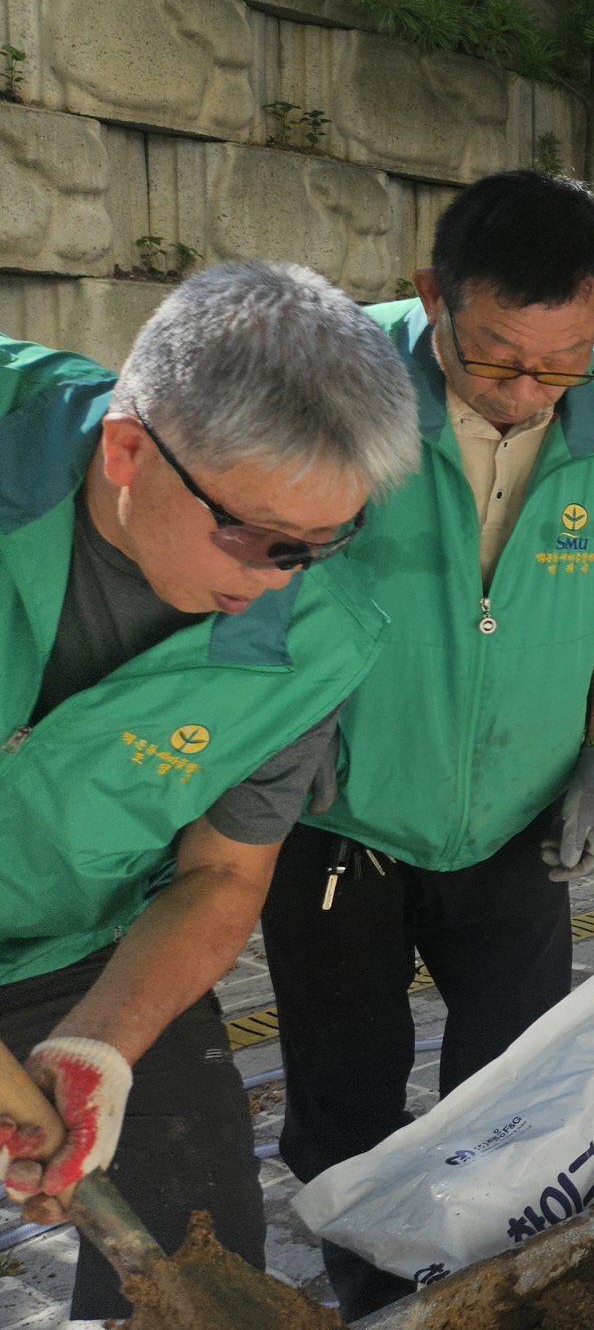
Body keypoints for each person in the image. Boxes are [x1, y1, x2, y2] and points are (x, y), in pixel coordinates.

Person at [258, 171, 594, 1319]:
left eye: (562, 360)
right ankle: (372, 1298)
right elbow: (245, 579)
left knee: (518, 1088)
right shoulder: (330, 384)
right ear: (432, 293)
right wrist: (278, 732)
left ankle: (491, 1291)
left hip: (517, 821)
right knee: (343, 1098)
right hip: (334, 824)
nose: (525, 390)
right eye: (493, 357)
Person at [0, 262, 418, 1321]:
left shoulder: (317, 639)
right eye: (258, 536)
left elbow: (225, 870)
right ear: (128, 448)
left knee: (199, 1235)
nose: (284, 578)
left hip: (74, 942)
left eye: (327, 542)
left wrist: (99, 1044)